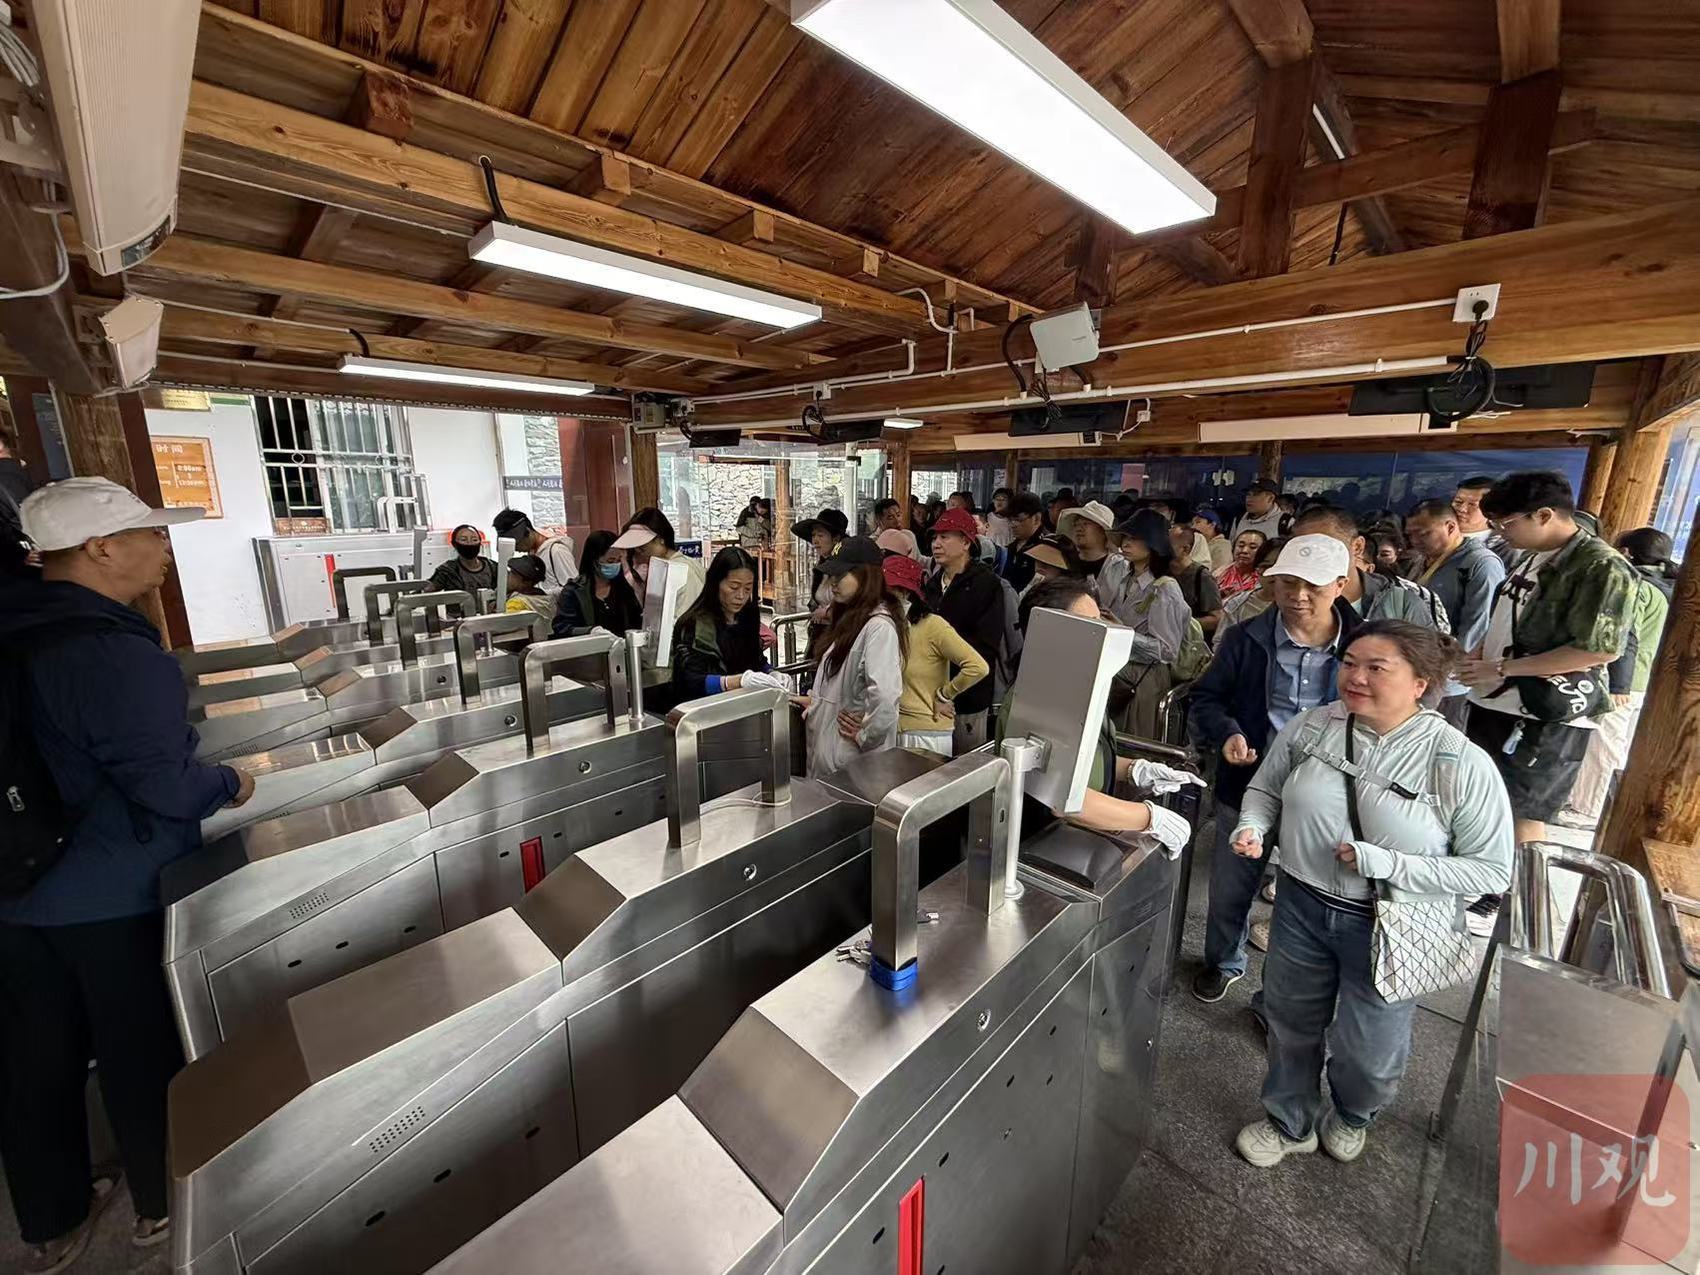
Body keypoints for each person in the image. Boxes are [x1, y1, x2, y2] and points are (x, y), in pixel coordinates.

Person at [2, 478, 257, 1268]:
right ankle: (160, 1204)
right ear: (101, 548)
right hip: (113, 888)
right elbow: (166, 785)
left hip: (17, 886)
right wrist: (230, 780)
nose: (163, 548)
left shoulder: (14, 624)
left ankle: (52, 1220)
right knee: (140, 1047)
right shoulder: (110, 651)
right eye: (150, 533)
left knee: (34, 1056)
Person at [1230, 622, 1513, 1168]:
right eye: (1350, 662)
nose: (1355, 677)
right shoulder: (1315, 726)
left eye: (1376, 668)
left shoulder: (1457, 762)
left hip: (1392, 921)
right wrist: (1253, 826)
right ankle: (1289, 1122)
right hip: (1301, 904)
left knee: (1370, 1051)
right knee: (1290, 1024)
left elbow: (1491, 870)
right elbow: (1265, 788)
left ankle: (1355, 1113)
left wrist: (1387, 864)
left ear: (1420, 683)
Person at [1458, 471, 1638, 931]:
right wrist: (1479, 657)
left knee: (1524, 811)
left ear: (1544, 514)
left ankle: (1517, 906)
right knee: (1487, 800)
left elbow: (1599, 649)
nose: (1500, 533)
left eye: (1506, 523)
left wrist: (1504, 668)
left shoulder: (1601, 566)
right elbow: (1508, 619)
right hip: (1496, 700)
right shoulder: (1531, 555)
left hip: (1545, 711)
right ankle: (1486, 880)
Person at [1188, 534, 1362, 1003]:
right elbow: (1207, 698)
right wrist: (1228, 732)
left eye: (1313, 586)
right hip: (1250, 783)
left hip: (1327, 795)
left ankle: (1282, 996)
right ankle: (1223, 961)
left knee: (1309, 900)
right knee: (1231, 886)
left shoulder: (1366, 645)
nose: (1298, 596)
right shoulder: (1246, 638)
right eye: (1287, 583)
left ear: (1341, 585)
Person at [995, 577, 1195, 853]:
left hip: (1076, 841)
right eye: (1089, 624)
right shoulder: (1037, 698)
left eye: (1100, 622)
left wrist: (1134, 769)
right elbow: (1066, 801)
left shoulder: (1079, 683)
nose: (1102, 633)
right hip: (1042, 845)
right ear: (1053, 632)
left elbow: (1081, 761)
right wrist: (1150, 817)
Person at [1558, 527, 1677, 827]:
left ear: (1625, 553)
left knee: (1605, 744)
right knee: (1618, 745)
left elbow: (1626, 638)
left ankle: (1588, 809)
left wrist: (1618, 685)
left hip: (1624, 683)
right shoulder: (1669, 588)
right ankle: (1594, 803)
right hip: (1647, 680)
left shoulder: (1637, 587)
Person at [800, 537, 907, 777]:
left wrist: (865, 735)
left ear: (866, 576)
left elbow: (885, 696)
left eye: (841, 575)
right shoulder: (851, 619)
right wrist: (819, 702)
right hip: (829, 754)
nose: (833, 582)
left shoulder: (878, 628)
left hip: (849, 764)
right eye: (832, 575)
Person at [1404, 498, 1506, 721]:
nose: (1415, 541)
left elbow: (1478, 626)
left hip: (1449, 681)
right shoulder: (1423, 559)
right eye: (1410, 535)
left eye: (1423, 533)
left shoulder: (1480, 563)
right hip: (1418, 666)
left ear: (1450, 527)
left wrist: (1449, 671)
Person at [1100, 509, 1193, 739]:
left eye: (1134, 538)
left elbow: (1166, 651)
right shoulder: (1125, 578)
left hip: (1146, 678)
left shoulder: (1165, 589)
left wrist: (1124, 632)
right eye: (1124, 538)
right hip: (1119, 670)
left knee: (1135, 742)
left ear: (1153, 544)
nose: (1126, 543)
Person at [884, 553, 988, 756]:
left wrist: (945, 694)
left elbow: (977, 666)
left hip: (927, 733)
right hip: (895, 728)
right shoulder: (888, 625)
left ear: (904, 592)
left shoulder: (933, 625)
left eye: (887, 590)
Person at [1291, 505, 1448, 633]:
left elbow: (1427, 659)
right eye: (1304, 549)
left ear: (1357, 547)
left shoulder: (1402, 604)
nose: (1314, 555)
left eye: (1326, 545)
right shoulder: (1291, 600)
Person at [923, 507, 1005, 754]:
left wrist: (953, 687)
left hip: (969, 695)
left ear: (966, 542)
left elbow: (986, 645)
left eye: (945, 537)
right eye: (934, 537)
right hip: (931, 693)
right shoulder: (932, 584)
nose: (936, 544)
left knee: (966, 764)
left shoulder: (986, 584)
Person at [671, 546, 789, 700]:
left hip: (745, 704)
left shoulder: (748, 616)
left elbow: (756, 659)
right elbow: (690, 681)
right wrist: (734, 682)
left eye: (747, 589)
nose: (741, 596)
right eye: (734, 587)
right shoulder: (693, 624)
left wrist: (771, 673)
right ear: (716, 583)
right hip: (706, 707)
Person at [552, 529, 643, 638]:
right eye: (610, 561)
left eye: (618, 560)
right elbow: (562, 627)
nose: (615, 565)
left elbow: (637, 621)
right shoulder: (574, 591)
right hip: (591, 647)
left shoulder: (624, 588)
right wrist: (591, 631)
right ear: (594, 561)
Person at [614, 506, 706, 613]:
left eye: (642, 547)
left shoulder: (682, 570)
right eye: (636, 547)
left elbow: (687, 615)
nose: (638, 551)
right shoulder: (662, 568)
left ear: (660, 539)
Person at [492, 508, 578, 596]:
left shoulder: (557, 551)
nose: (515, 549)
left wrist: (539, 595)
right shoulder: (531, 553)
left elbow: (575, 588)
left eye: (517, 544)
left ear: (528, 532)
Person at [1217, 536, 1286, 639]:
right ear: (1257, 570)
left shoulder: (1302, 605)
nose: (1272, 573)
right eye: (1266, 566)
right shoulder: (1237, 605)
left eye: (1279, 567)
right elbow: (1221, 641)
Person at [794, 506, 849, 625]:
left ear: (835, 539)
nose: (815, 541)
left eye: (820, 535)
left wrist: (827, 613)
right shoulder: (822, 567)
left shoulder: (849, 570)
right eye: (813, 535)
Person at [1169, 523, 1225, 637]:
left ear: (1185, 549)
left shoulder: (1202, 576)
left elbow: (1216, 619)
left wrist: (1182, 624)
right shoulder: (1162, 570)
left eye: (1168, 544)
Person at [1452, 476, 1516, 568]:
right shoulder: (1436, 533)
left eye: (1472, 504)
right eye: (1458, 502)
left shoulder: (1504, 548)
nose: (1462, 509)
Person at [428, 523, 498, 602]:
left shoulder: (493, 567)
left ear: (480, 543)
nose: (469, 543)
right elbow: (427, 591)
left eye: (474, 540)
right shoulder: (448, 570)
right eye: (464, 540)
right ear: (454, 544)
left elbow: (507, 587)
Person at [999, 491, 1047, 593]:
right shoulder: (1011, 547)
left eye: (1018, 520)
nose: (1013, 524)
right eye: (1010, 519)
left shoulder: (1045, 547)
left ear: (1036, 518)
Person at [1055, 500, 1115, 578]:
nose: (1079, 529)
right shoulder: (1064, 562)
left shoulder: (1118, 567)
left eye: (1085, 524)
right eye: (1076, 524)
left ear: (1103, 531)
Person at [503, 554, 555, 620]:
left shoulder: (515, 604)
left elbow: (503, 625)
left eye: (512, 573)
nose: (508, 576)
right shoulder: (547, 600)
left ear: (526, 582)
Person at [1217, 529, 1267, 595]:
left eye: (1252, 547)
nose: (1244, 551)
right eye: (1241, 546)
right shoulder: (1220, 573)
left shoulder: (1265, 579)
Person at [1193, 508, 1233, 572]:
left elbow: (1221, 572)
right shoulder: (1197, 543)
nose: (1193, 527)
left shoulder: (1223, 546)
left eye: (1198, 522)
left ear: (1212, 525)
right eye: (1193, 523)